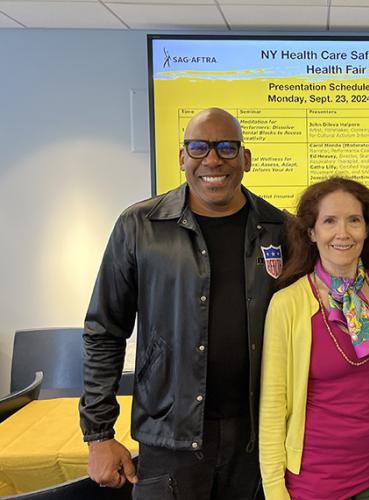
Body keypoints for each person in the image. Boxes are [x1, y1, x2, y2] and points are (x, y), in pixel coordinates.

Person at [80, 107, 286, 499]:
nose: (213, 160)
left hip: (258, 439)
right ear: (182, 158)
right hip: (168, 439)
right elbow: (103, 332)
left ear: (245, 159)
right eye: (199, 147)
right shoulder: (140, 226)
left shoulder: (279, 229)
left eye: (227, 147)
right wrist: (99, 435)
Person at [259, 177, 369, 500]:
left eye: (354, 220)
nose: (343, 233)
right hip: (315, 480)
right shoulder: (288, 304)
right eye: (329, 221)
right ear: (311, 233)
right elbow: (272, 407)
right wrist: (274, 489)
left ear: (368, 229)